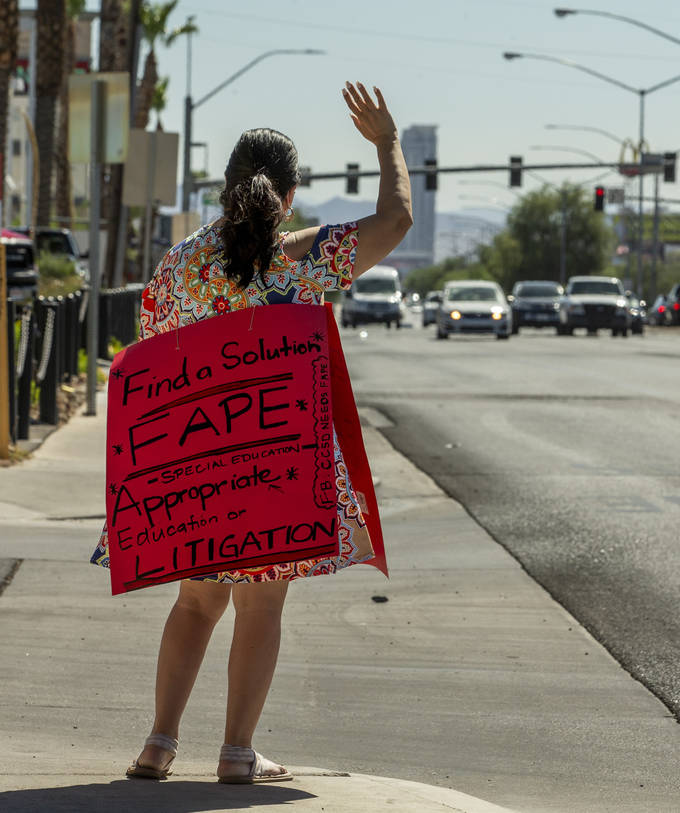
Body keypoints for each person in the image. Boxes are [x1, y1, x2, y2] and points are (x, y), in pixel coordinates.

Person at [91, 81, 412, 783]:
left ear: (227, 187)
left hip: (195, 470)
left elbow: (150, 361)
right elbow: (395, 220)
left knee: (195, 601)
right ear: (287, 196)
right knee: (260, 602)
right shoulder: (302, 261)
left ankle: (158, 743)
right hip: (277, 468)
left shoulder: (174, 268)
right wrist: (388, 142)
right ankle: (237, 752)